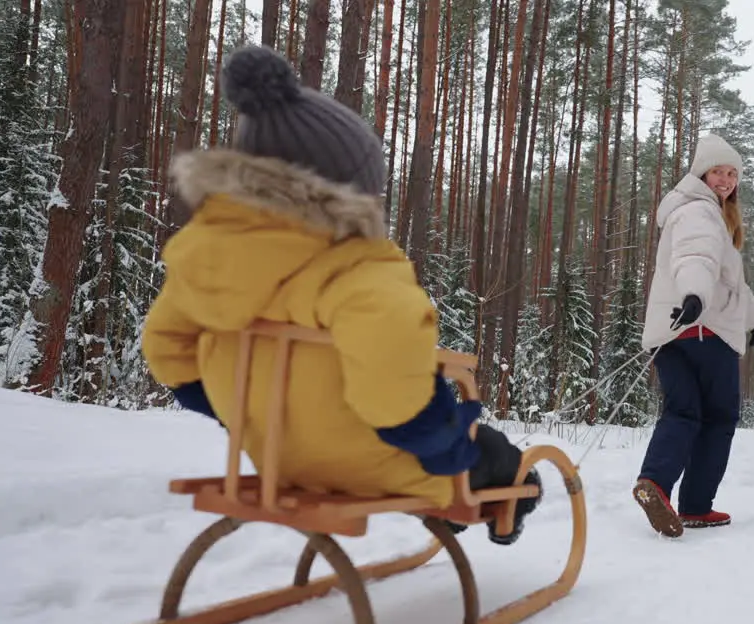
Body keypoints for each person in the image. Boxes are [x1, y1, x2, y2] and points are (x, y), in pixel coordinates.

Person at [140, 44, 540, 545]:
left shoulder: (200, 261)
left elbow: (165, 350)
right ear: (351, 191)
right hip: (370, 464)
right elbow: (391, 383)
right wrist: (439, 441)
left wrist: (236, 410)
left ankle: (450, 504)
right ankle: (499, 512)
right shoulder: (356, 269)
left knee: (451, 446)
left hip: (271, 458)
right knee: (501, 459)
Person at [632, 133, 754, 538]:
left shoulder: (694, 210)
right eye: (718, 171)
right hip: (704, 328)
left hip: (672, 331)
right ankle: (695, 505)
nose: (726, 180)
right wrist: (695, 293)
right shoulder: (700, 212)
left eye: (732, 174)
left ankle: (654, 483)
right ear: (701, 173)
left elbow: (731, 282)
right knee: (718, 417)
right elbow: (697, 256)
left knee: (682, 411)